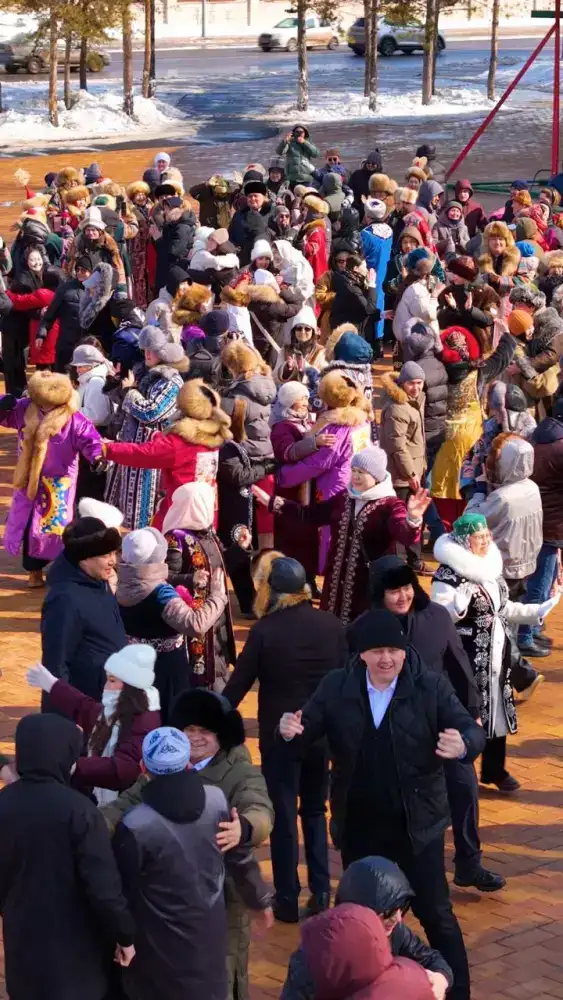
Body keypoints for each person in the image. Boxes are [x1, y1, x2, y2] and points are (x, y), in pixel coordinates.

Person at [278, 607, 485, 1000]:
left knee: (436, 915)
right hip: (359, 826)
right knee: (358, 922)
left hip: (416, 827)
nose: (386, 658)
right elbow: (303, 734)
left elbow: (469, 730)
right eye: (376, 651)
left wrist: (464, 746)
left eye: (394, 649)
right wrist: (288, 731)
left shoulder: (430, 686)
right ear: (361, 655)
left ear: (405, 650)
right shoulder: (338, 686)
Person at [103, 689, 273, 1000]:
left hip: (221, 906)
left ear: (221, 735)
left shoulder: (240, 773)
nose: (195, 737)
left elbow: (259, 809)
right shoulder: (160, 771)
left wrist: (244, 828)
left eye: (204, 731)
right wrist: (87, 826)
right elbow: (122, 807)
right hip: (169, 904)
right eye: (189, 729)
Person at [349, 555, 505, 893]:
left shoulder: (436, 617)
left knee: (463, 786)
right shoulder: (363, 627)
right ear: (379, 594)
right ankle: (396, 872)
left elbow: (459, 664)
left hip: (440, 719)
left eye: (406, 587)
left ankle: (469, 863)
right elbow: (349, 679)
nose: (403, 596)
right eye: (394, 591)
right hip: (390, 729)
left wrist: (472, 710)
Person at [224, 553, 347, 923]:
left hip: (279, 738)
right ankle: (322, 891)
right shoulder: (332, 626)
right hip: (320, 734)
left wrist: (212, 718)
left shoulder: (266, 630)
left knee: (279, 815)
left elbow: (239, 684)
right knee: (313, 811)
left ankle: (288, 898)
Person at [0, 713, 135, 1000]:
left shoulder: (4, 804)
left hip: (22, 944)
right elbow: (103, 888)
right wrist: (124, 934)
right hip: (76, 954)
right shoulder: (79, 811)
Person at [432, 513, 559, 792]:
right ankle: (453, 771)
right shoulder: (447, 575)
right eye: (479, 537)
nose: (486, 541)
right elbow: (438, 616)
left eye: (487, 536)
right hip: (465, 658)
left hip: (496, 655)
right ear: (465, 541)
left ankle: (494, 770)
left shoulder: (490, 569)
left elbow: (504, 608)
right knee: (467, 713)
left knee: (497, 712)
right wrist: (457, 609)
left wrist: (535, 612)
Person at [257, 445, 429, 625]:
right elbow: (309, 515)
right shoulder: (343, 498)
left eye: (361, 472)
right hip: (334, 590)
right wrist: (274, 503)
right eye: (353, 470)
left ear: (376, 476)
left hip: (367, 590)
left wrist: (413, 519)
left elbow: (405, 535)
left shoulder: (391, 505)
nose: (355, 476)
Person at [282, 855, 452, 1000]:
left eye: (402, 908)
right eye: (388, 912)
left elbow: (432, 959)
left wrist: (440, 979)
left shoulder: (395, 933)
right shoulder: (314, 956)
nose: (397, 918)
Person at [0, 370, 103, 587]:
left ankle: (61, 568)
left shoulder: (74, 419)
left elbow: (90, 440)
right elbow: (6, 417)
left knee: (56, 527)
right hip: (28, 478)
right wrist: (3, 404)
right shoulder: (25, 408)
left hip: (58, 482)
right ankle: (33, 571)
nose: (44, 408)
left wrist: (97, 457)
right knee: (28, 527)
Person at [26, 645, 160, 805]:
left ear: (130, 686)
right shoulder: (121, 710)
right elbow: (86, 708)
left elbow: (125, 768)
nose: (106, 687)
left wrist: (77, 766)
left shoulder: (143, 721)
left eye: (112, 681)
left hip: (122, 805)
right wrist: (54, 686)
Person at [117, 526, 228, 717]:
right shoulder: (160, 592)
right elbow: (195, 625)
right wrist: (217, 596)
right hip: (166, 671)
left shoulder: (119, 582)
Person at [104, 325, 188, 530]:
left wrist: (129, 392)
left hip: (151, 452)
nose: (147, 354)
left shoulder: (171, 380)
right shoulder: (143, 372)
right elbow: (125, 406)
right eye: (145, 349)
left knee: (145, 514)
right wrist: (117, 384)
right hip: (132, 449)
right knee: (122, 512)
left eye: (152, 349)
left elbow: (152, 412)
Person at [41, 515, 127, 701]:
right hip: (86, 703)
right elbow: (56, 665)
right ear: (84, 559)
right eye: (105, 555)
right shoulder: (64, 599)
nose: (113, 561)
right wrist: (66, 720)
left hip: (109, 697)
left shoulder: (100, 582)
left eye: (114, 553)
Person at [163, 481, 237, 691]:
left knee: (218, 671)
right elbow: (164, 578)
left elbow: (223, 565)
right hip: (195, 622)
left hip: (217, 616)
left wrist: (241, 549)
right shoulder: (175, 539)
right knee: (200, 680)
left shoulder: (209, 534)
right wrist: (190, 579)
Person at [519, 397, 563, 655]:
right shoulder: (560, 449)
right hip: (553, 525)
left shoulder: (534, 438)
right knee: (540, 583)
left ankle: (533, 629)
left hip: (534, 519)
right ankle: (526, 636)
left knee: (541, 581)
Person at [379, 362, 427, 571]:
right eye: (411, 383)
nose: (416, 388)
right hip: (402, 475)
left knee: (415, 516)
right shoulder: (398, 408)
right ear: (402, 383)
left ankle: (413, 559)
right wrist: (411, 473)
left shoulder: (412, 403)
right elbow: (397, 445)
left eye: (419, 383)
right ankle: (400, 562)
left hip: (413, 471)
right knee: (401, 518)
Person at [36, 255, 93, 372]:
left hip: (88, 347)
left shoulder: (97, 290)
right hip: (66, 344)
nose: (80, 273)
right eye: (78, 270)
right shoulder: (65, 289)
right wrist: (41, 334)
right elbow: (49, 315)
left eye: (84, 270)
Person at [360, 197, 393, 351]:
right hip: (385, 274)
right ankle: (380, 340)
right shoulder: (390, 231)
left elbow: (362, 255)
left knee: (371, 306)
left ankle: (372, 343)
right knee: (382, 304)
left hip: (370, 275)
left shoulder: (365, 234)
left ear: (367, 216)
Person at [393, 248, 441, 344]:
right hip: (416, 341)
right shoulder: (416, 289)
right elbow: (428, 315)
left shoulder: (408, 282)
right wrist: (434, 297)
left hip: (409, 335)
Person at [329, 254, 379, 339]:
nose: (366, 270)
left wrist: (381, 314)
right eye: (364, 267)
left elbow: (361, 309)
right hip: (349, 335)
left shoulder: (355, 282)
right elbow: (369, 309)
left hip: (353, 330)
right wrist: (371, 286)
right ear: (356, 269)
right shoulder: (350, 287)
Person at [349, 150, 384, 216]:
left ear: (378, 165)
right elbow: (350, 189)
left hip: (375, 210)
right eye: (368, 162)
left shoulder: (382, 177)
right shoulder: (357, 174)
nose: (370, 165)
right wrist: (356, 205)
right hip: (357, 208)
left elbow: (384, 196)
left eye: (373, 163)